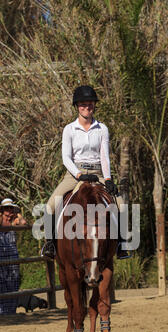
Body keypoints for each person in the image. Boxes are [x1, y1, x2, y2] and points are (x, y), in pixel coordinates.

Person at [42, 85, 130, 259]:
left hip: (98, 173)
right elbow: (66, 157)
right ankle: (50, 244)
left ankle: (122, 245)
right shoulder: (69, 129)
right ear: (77, 106)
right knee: (49, 206)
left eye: (90, 103)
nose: (86, 107)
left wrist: (108, 179)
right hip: (76, 173)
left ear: (94, 105)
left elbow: (104, 156)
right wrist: (80, 175)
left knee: (122, 206)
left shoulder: (102, 128)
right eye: (83, 104)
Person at [0, 198, 27, 315]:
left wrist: (18, 215)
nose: (9, 210)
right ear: (2, 210)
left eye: (11, 208)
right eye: (7, 208)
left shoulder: (14, 221)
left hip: (12, 255)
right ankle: (1, 312)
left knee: (13, 282)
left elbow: (24, 223)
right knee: (1, 283)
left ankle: (11, 311)